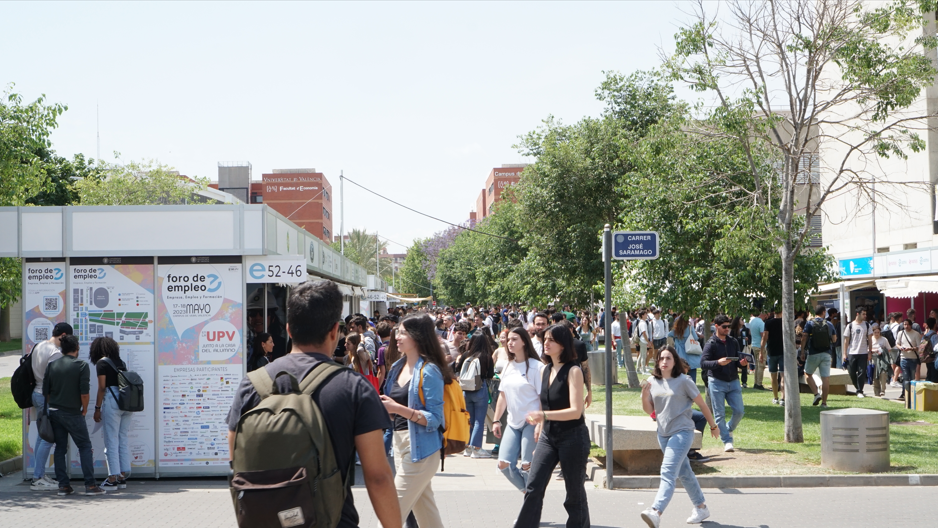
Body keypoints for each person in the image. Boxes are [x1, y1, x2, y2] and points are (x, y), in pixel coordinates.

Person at [227, 280, 401, 528]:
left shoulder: (252, 384)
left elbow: (236, 456)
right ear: (334, 331)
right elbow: (378, 477)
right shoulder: (353, 387)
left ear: (288, 330)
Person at [380, 314, 451, 528]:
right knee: (425, 511)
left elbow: (436, 418)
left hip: (421, 448)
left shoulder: (429, 371)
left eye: (402, 332)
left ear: (417, 337)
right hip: (400, 444)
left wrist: (397, 408)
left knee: (391, 511)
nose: (397, 337)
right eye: (397, 332)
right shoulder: (397, 367)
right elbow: (391, 408)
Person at [516, 324, 590, 528]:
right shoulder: (546, 369)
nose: (545, 343)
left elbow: (576, 411)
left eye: (551, 340)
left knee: (574, 492)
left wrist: (543, 416)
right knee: (534, 486)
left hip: (573, 437)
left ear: (563, 344)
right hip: (549, 436)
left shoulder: (573, 371)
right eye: (544, 339)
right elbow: (545, 400)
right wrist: (541, 425)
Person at [639, 346, 720, 528]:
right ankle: (701, 507)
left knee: (668, 472)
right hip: (663, 434)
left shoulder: (684, 381)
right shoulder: (652, 382)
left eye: (668, 358)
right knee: (684, 472)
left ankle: (656, 511)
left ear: (674, 361)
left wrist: (713, 426)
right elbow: (650, 411)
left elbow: (702, 405)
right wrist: (645, 396)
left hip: (682, 432)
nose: (664, 362)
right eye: (661, 358)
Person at [44, 334, 105, 496]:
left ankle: (63, 486)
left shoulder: (52, 365)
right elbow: (84, 393)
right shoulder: (81, 365)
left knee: (60, 448)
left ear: (62, 349)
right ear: (77, 349)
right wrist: (84, 410)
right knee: (84, 446)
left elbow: (46, 392)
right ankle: (90, 485)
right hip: (72, 413)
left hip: (55, 412)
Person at [492, 327, 546, 491]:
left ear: (524, 341)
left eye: (514, 339)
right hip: (512, 423)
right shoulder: (508, 366)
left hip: (531, 422)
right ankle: (529, 494)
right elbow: (503, 395)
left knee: (527, 465)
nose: (510, 342)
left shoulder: (537, 367)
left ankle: (530, 505)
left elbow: (543, 398)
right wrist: (496, 420)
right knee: (503, 464)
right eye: (508, 339)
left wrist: (540, 424)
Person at [28, 321, 71, 491]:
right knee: (47, 438)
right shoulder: (55, 353)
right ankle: (38, 477)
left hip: (37, 394)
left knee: (42, 436)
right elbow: (54, 381)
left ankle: (39, 474)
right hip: (47, 397)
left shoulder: (39, 346)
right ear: (63, 336)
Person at [90, 336, 132, 490]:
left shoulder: (102, 363)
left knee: (111, 439)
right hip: (127, 403)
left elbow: (102, 387)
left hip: (112, 401)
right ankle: (122, 475)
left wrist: (97, 408)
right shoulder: (121, 363)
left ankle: (112, 478)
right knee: (122, 438)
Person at [700, 314, 747, 452]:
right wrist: (717, 363)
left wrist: (742, 364)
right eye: (724, 327)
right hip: (716, 382)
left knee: (739, 411)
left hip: (733, 381)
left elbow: (737, 361)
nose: (727, 329)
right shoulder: (711, 344)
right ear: (716, 326)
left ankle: (727, 429)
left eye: (728, 326)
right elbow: (703, 363)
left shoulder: (733, 341)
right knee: (719, 414)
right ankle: (727, 440)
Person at [455, 335, 496, 458]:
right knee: (479, 420)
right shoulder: (486, 356)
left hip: (466, 390)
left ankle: (467, 447)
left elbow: (456, 368)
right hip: (480, 388)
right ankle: (477, 448)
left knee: (470, 420)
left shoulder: (466, 355)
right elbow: (490, 374)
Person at [801, 305, 837, 407]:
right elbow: (834, 339)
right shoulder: (829, 324)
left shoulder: (809, 323)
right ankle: (824, 403)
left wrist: (802, 351)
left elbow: (804, 337)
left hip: (813, 353)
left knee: (807, 374)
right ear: (824, 312)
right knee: (825, 378)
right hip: (826, 354)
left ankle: (816, 394)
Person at [842, 307, 872, 398]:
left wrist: (869, 352)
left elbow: (870, 340)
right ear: (857, 314)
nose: (865, 316)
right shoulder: (850, 326)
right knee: (851, 372)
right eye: (863, 314)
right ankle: (857, 386)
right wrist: (844, 353)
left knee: (861, 372)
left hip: (863, 352)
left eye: (865, 314)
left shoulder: (867, 325)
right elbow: (846, 341)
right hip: (852, 352)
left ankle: (860, 390)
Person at [668, 315, 702, 384]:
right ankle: (691, 388)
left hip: (680, 353)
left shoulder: (676, 330)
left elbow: (669, 335)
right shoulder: (690, 328)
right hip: (690, 351)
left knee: (680, 370)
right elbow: (695, 338)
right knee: (692, 371)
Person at [895, 318, 922, 404]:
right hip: (903, 358)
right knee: (905, 377)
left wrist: (910, 348)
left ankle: (911, 394)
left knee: (912, 377)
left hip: (913, 358)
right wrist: (901, 348)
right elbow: (897, 343)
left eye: (908, 325)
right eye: (905, 325)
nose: (906, 326)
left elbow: (919, 347)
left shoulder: (916, 334)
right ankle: (904, 394)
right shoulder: (901, 333)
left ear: (911, 325)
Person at [764, 310, 786, 405]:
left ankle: (775, 397)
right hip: (783, 352)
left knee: (773, 376)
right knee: (783, 376)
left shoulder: (768, 323)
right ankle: (783, 399)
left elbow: (765, 337)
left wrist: (761, 351)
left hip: (771, 351)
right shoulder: (785, 322)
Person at [870, 324, 892, 398]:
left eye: (878, 332)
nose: (876, 334)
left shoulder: (884, 339)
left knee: (883, 373)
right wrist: (874, 350)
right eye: (875, 332)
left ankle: (883, 390)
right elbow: (867, 349)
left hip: (882, 359)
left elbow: (889, 349)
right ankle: (876, 392)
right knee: (875, 376)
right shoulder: (870, 339)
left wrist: (883, 350)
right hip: (873, 358)